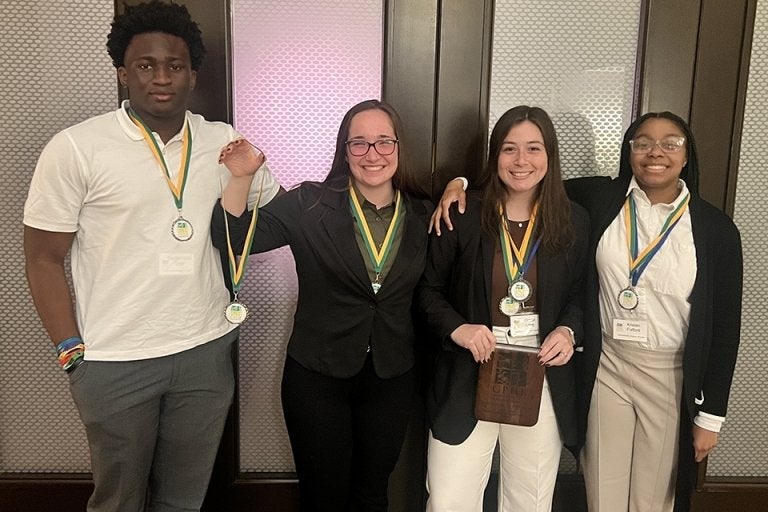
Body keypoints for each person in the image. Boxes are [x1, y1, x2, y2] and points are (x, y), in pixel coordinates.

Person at [22, 2, 280, 511]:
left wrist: (458, 186)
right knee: (118, 501)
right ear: (122, 72)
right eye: (145, 65)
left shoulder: (223, 142)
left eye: (175, 65)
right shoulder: (76, 148)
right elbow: (43, 259)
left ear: (192, 74)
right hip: (114, 359)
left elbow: (280, 216)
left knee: (183, 500)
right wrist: (71, 352)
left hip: (204, 352)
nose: (161, 77)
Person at [433, 111, 743, 512]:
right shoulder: (602, 199)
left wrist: (711, 416)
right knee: (602, 493)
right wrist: (458, 184)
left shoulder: (715, 229)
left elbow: (724, 326)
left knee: (654, 499)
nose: (655, 152)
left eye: (670, 143)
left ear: (687, 155)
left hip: (670, 374)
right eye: (643, 142)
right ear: (629, 151)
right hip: (607, 369)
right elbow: (523, 179)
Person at [212, 99, 433, 511]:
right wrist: (242, 176)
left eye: (384, 142)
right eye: (359, 144)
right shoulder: (309, 204)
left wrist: (456, 182)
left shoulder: (425, 212)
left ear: (400, 148)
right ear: (343, 150)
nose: (373, 155)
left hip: (391, 374)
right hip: (317, 376)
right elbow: (233, 240)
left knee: (372, 493)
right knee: (322, 496)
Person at [416, 105, 589, 511]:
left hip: (539, 378)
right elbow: (427, 291)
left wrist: (569, 330)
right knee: (450, 499)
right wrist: (459, 329)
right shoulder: (462, 213)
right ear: (495, 156)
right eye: (509, 149)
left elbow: (581, 295)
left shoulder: (574, 220)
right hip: (466, 373)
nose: (521, 161)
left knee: (529, 501)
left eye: (534, 148)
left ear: (550, 155)